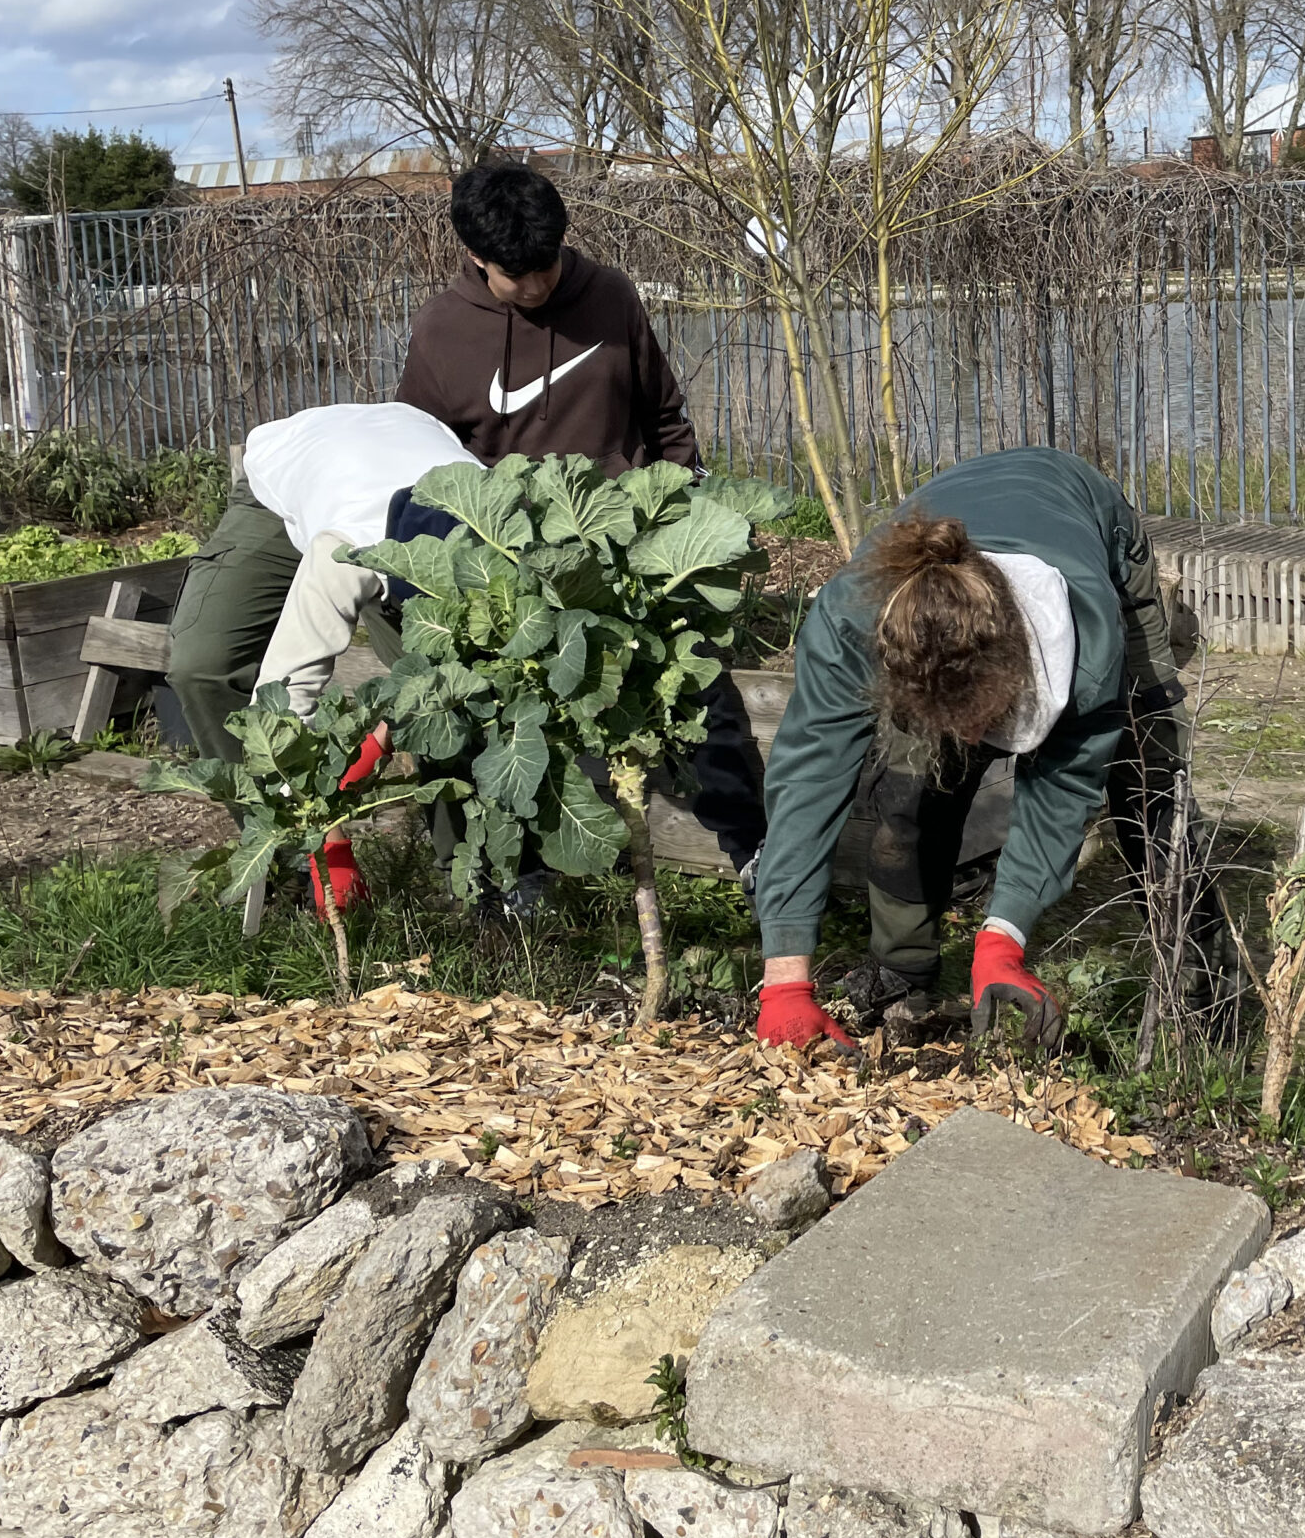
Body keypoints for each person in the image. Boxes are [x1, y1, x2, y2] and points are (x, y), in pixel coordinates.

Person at [165, 160, 766, 875]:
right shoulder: (444, 332)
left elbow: (662, 414)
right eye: (519, 274)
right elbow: (422, 467)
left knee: (692, 680)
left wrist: (677, 507)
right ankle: (413, 869)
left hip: (575, 537)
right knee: (442, 691)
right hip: (457, 529)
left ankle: (750, 854)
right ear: (477, 258)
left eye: (547, 265)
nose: (539, 285)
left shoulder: (609, 297)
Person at [748, 446, 1193, 1053]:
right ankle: (903, 973)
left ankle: (1196, 988)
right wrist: (784, 983)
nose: (970, 743)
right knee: (909, 787)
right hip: (951, 545)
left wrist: (1002, 939)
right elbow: (807, 783)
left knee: (1148, 780)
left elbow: (1063, 788)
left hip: (1083, 513)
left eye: (983, 721)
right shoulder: (848, 624)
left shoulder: (1088, 648)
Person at [236, 401, 478, 913]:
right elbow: (280, 697)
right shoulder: (342, 551)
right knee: (203, 663)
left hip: (414, 427)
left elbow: (472, 668)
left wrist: (379, 742)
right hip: (294, 451)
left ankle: (474, 885)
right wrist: (330, 840)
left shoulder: (498, 525)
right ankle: (292, 863)